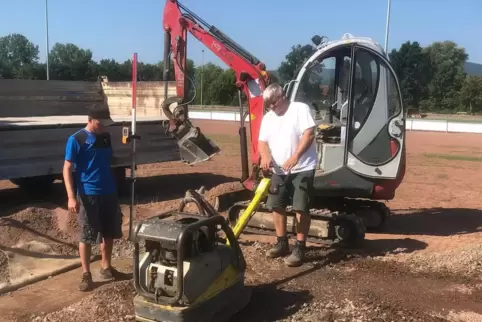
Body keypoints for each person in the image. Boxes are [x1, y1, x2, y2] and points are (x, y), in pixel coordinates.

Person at [63, 104, 123, 291]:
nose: (104, 126)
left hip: (109, 192)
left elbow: (107, 159)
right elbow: (67, 168)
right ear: (90, 120)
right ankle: (86, 274)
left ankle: (106, 267)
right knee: (87, 235)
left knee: (109, 232)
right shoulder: (76, 139)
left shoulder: (106, 137)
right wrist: (71, 197)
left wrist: (127, 147)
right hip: (88, 193)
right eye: (100, 122)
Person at [258, 83, 317, 267]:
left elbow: (309, 134)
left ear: (282, 96)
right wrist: (265, 156)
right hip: (279, 170)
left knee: (300, 207)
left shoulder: (300, 109)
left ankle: (299, 247)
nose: (271, 108)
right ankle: (282, 243)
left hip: (302, 168)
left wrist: (295, 156)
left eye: (273, 104)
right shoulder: (268, 117)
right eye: (268, 105)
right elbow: (262, 142)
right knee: (277, 205)